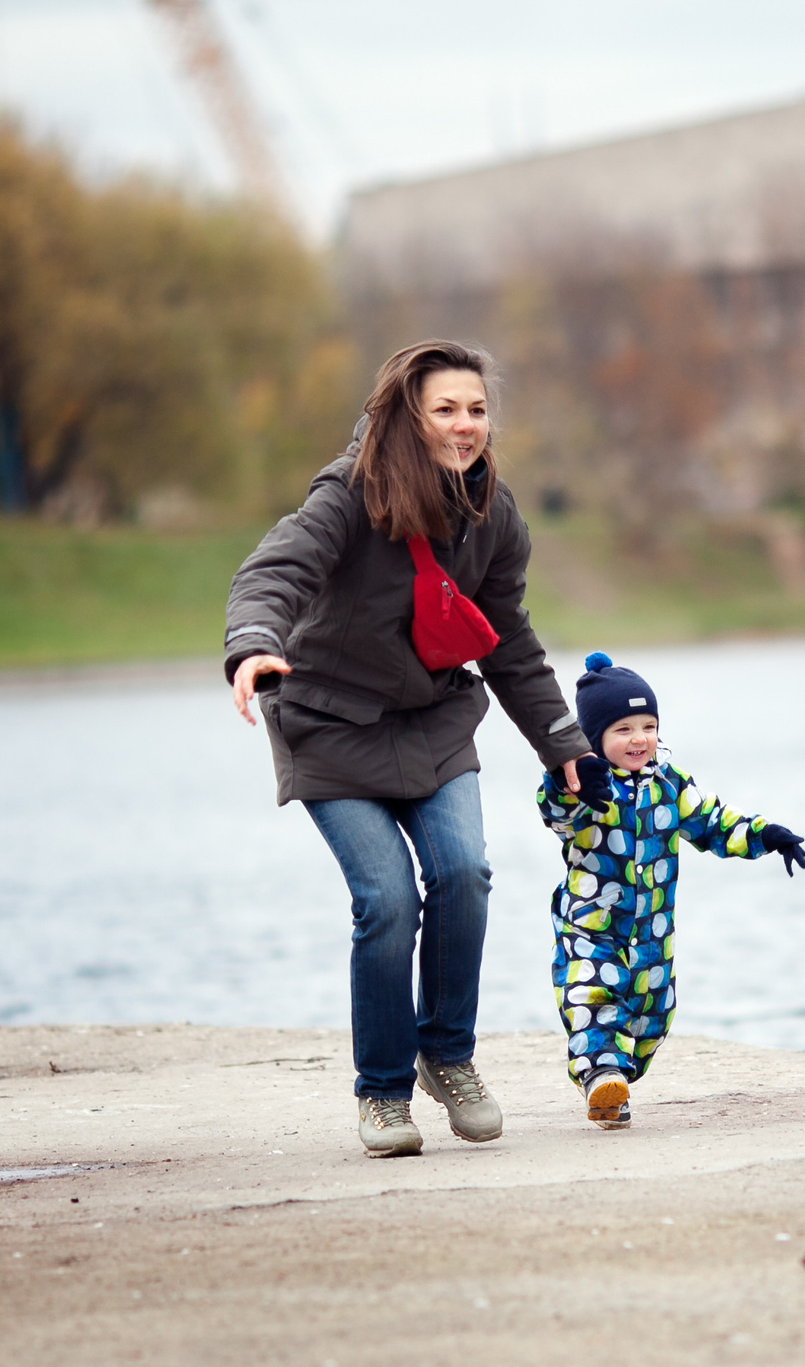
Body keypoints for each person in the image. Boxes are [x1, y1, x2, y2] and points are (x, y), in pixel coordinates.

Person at [225, 340, 596, 1158]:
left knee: (464, 871)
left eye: (476, 409)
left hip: (431, 725)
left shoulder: (491, 514)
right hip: (330, 726)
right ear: (407, 414)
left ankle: (448, 1054)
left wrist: (563, 741)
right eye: (446, 409)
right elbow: (271, 574)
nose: (466, 426)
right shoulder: (348, 497)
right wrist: (254, 643)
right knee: (387, 900)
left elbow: (509, 643)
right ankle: (385, 1092)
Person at [536, 652, 805, 1128]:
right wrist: (569, 789)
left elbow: (711, 823)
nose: (639, 738)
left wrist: (765, 835)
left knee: (652, 1018)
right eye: (623, 729)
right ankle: (601, 1074)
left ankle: (615, 1084)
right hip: (593, 929)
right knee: (594, 1000)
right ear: (595, 737)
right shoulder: (582, 787)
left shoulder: (670, 785)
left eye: (648, 726)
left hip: (652, 936)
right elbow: (555, 814)